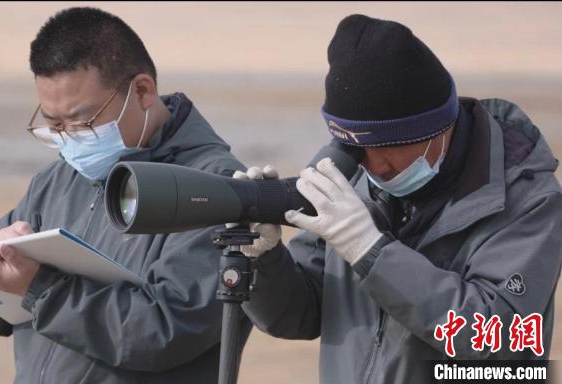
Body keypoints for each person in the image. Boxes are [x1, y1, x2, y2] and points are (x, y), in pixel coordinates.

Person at [238, 14, 562, 383]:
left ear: (440, 127)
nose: (376, 165)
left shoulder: (525, 195)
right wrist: (264, 260)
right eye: (358, 148)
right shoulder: (352, 173)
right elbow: (300, 314)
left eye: (389, 146)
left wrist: (372, 252)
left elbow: (501, 339)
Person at [0, 7, 250, 383]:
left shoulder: (215, 187)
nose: (68, 139)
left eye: (82, 121)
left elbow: (167, 330)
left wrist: (39, 289)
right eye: (53, 124)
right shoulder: (57, 179)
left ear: (142, 91)